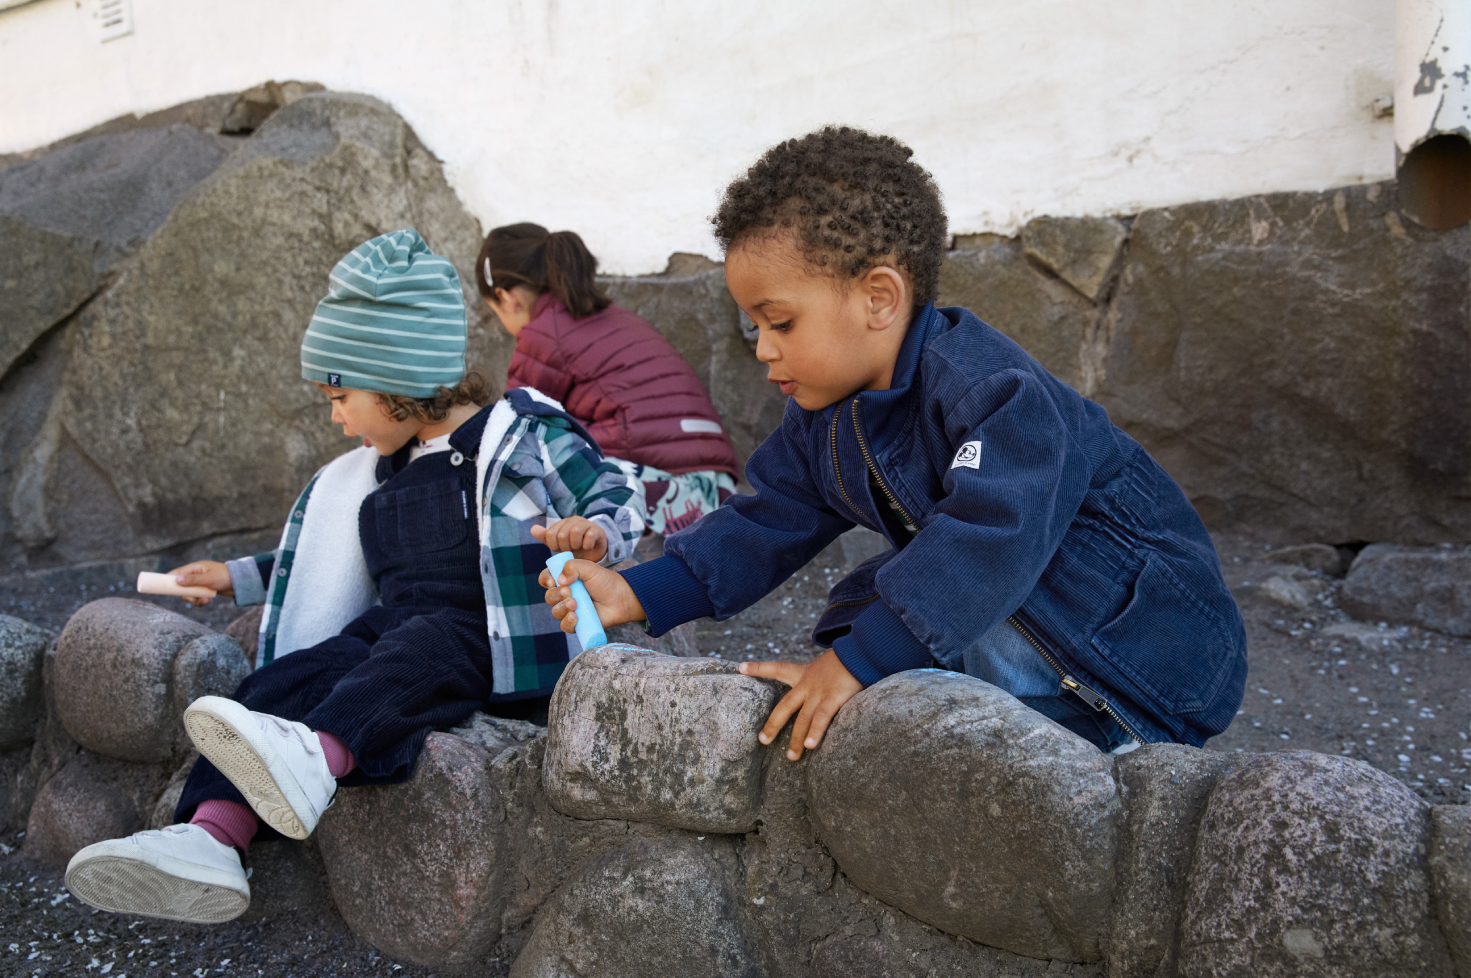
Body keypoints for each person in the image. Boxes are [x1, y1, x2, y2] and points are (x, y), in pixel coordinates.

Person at [543, 127, 1247, 761]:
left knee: (924, 594)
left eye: (780, 322)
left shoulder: (992, 389)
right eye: (754, 326)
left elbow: (994, 532)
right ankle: (950, 720)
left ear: (878, 299)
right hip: (1033, 640)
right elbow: (768, 519)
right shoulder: (825, 419)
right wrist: (633, 592)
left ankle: (1072, 743)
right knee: (871, 616)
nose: (762, 349)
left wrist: (858, 663)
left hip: (1139, 658)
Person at [63, 230, 642, 924]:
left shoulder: (518, 433)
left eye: (340, 396)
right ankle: (210, 837)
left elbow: (613, 489)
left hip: (491, 634)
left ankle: (318, 755)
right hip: (403, 626)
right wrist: (233, 577)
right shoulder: (381, 472)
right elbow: (317, 559)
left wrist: (595, 533)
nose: (337, 421)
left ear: (397, 376)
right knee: (285, 679)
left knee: (412, 649)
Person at [478, 223, 739, 537]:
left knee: (526, 468)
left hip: (656, 486)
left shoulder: (545, 332)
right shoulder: (611, 315)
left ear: (507, 298)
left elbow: (516, 430)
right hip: (716, 485)